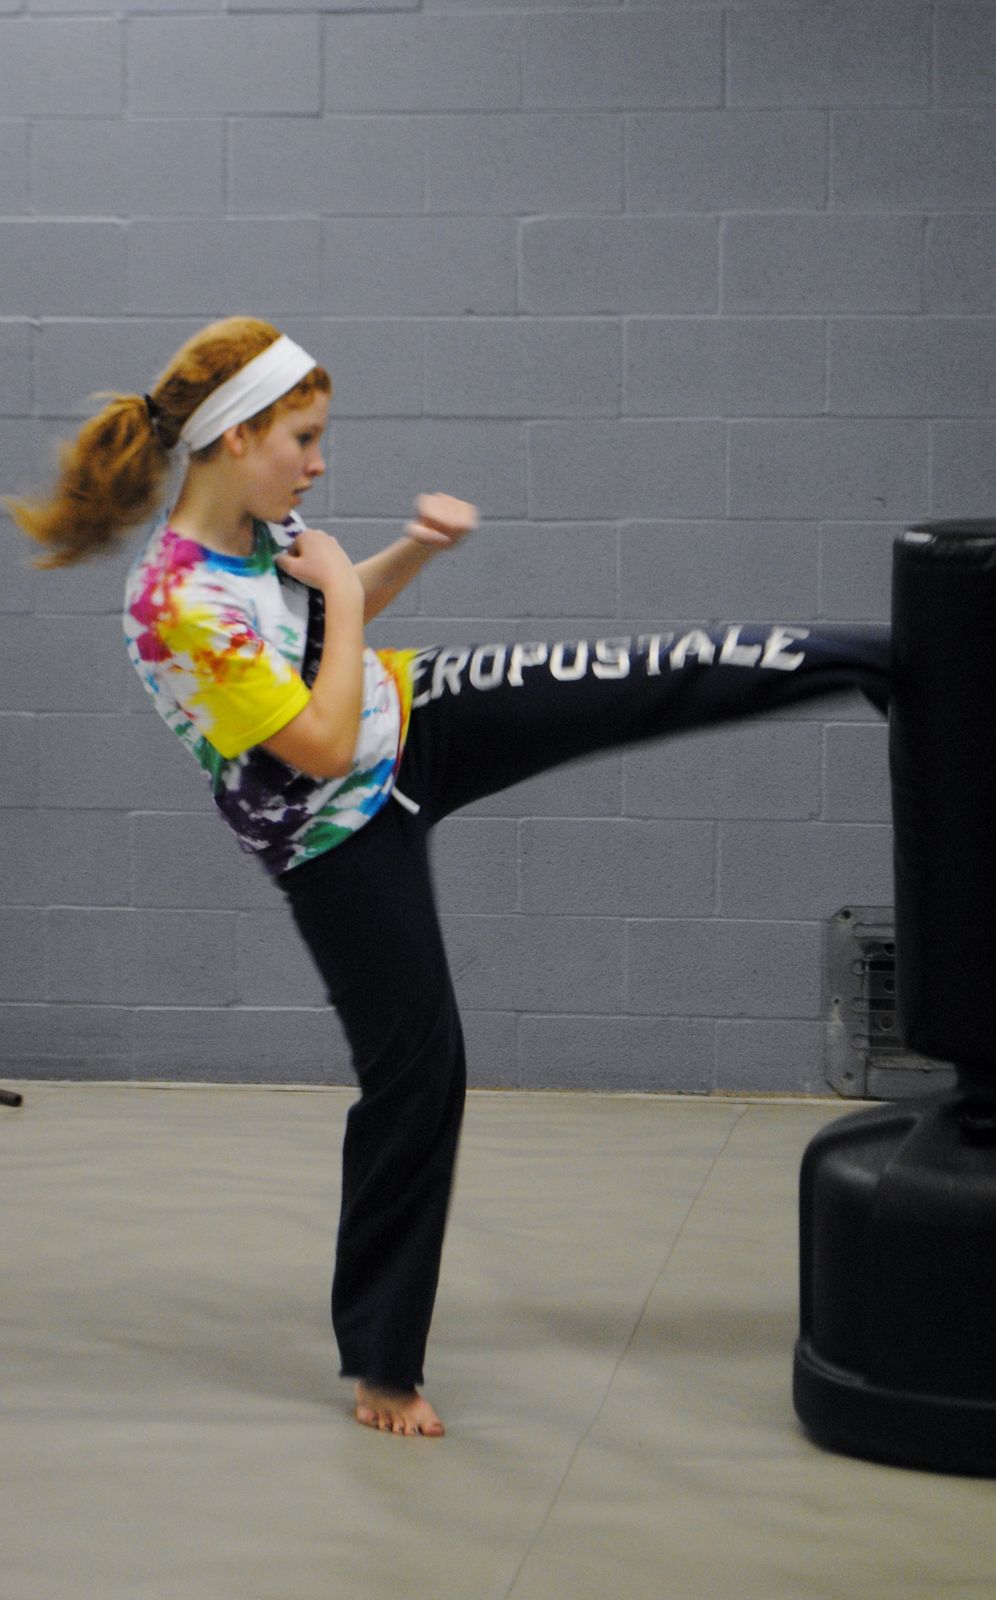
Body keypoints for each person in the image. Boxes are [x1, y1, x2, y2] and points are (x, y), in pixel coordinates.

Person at [9, 316, 890, 1439]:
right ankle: (383, 1367)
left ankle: (888, 661)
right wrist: (336, 582)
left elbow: (330, 630)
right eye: (303, 439)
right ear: (236, 438)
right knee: (420, 1075)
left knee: (631, 676)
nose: (317, 463)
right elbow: (319, 743)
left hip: (412, 716)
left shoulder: (264, 527)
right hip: (335, 837)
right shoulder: (173, 604)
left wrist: (407, 553)